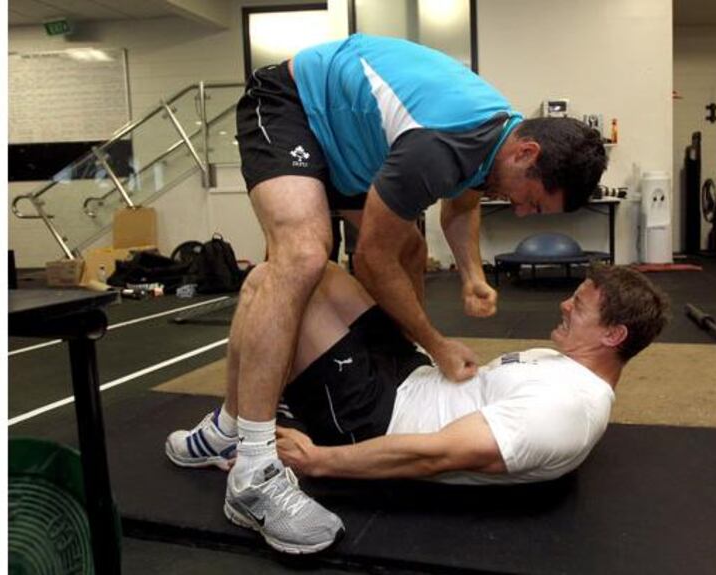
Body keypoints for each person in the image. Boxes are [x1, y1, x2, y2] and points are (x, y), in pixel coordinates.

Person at [214, 33, 607, 554]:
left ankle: (231, 423)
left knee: (412, 253)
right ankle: (253, 468)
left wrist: (472, 275)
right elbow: (370, 261)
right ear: (527, 153)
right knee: (304, 256)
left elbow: (460, 206)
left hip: (351, 141)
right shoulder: (443, 143)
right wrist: (437, 342)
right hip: (292, 104)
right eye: (531, 200)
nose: (521, 213)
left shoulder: (496, 137)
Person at [166, 261, 669, 553]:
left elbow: (433, 455)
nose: (564, 305)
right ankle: (232, 422)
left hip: (374, 417)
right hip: (411, 373)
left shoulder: (566, 409)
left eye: (578, 306)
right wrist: (441, 353)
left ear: (613, 334)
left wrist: (318, 460)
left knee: (271, 285)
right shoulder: (561, 364)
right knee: (315, 267)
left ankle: (231, 428)